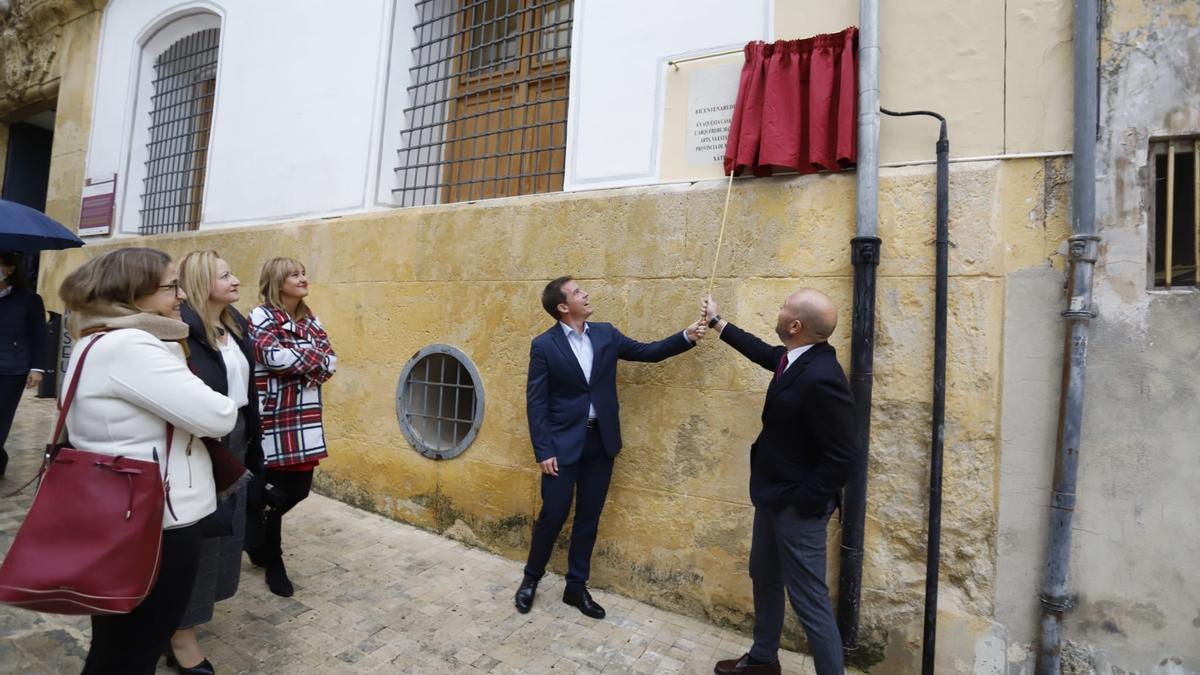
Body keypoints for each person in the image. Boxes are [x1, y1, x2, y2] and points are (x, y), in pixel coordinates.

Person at [57, 248, 237, 674]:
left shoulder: (95, 337)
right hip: (155, 520)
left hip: (120, 512)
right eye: (170, 286)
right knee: (134, 649)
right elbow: (219, 414)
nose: (180, 295)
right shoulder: (133, 346)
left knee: (117, 645)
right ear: (134, 292)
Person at [515, 276, 706, 619]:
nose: (585, 294)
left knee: (589, 517)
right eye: (576, 292)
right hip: (561, 446)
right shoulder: (543, 346)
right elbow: (536, 402)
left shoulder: (605, 333)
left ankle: (576, 587)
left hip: (600, 441)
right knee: (553, 515)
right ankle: (531, 579)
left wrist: (686, 337)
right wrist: (543, 451)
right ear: (562, 306)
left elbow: (647, 352)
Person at [701, 290, 856, 675]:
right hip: (771, 495)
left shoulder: (823, 376)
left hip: (797, 507)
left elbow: (843, 455)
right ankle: (763, 659)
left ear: (795, 325)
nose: (779, 308)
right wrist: (718, 323)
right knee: (764, 575)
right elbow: (763, 352)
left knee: (810, 602)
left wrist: (805, 502)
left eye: (785, 306)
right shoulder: (795, 358)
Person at [163, 250, 261, 674]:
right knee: (199, 537)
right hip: (201, 441)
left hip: (236, 437)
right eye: (226, 275)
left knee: (225, 534)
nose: (237, 280)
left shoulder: (234, 324)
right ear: (204, 282)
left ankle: (191, 616)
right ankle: (179, 635)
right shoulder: (181, 332)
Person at [245, 257, 336, 597]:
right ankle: (273, 561)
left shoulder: (311, 318)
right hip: (273, 415)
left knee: (299, 490)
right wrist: (311, 358)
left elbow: (332, 362)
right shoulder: (261, 317)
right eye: (294, 274)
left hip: (304, 417)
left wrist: (302, 359)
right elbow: (273, 358)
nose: (303, 278)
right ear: (277, 281)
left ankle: (253, 532)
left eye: (303, 273)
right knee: (276, 492)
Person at [0, 251, 48, 478]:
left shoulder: (29, 300)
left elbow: (39, 335)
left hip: (12, 370)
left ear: (10, 269)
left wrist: (37, 367)